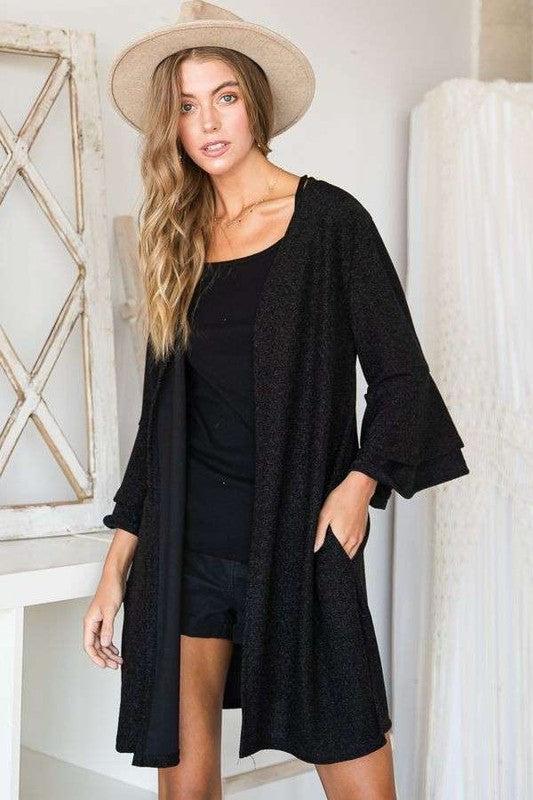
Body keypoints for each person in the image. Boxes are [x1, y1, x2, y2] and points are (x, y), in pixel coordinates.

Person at [83, 3, 469, 798]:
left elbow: (400, 378)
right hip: (185, 550)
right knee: (186, 787)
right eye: (185, 106)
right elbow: (162, 424)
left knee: (360, 776)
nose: (206, 122)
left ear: (255, 103)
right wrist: (117, 564)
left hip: (297, 539)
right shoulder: (177, 236)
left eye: (224, 97)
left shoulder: (330, 223)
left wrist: (358, 485)